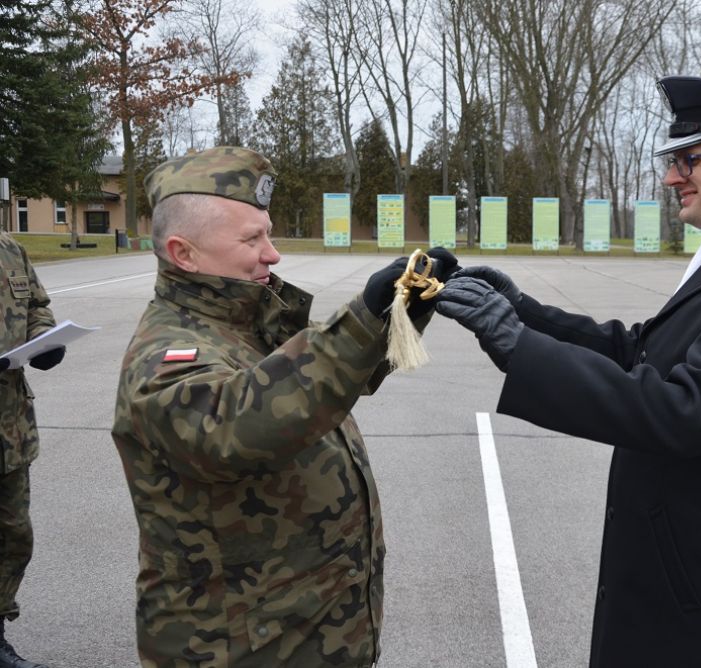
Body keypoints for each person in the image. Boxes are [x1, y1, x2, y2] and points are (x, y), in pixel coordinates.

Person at [436, 76, 701, 667]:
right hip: (678, 580)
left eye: (688, 159)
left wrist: (518, 346)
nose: (672, 176)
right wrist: (521, 311)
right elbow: (640, 352)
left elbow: (689, 409)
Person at [111, 146, 456, 667]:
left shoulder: (242, 322)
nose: (272, 254)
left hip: (306, 635)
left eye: (267, 234)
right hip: (239, 648)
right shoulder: (166, 355)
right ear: (184, 254)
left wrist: (396, 314)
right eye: (252, 239)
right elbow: (237, 425)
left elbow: (315, 381)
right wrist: (359, 321)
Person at [0, 232, 66, 668]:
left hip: (9, 427)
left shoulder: (9, 248)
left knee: (12, 535)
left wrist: (45, 340)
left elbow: (37, 306)